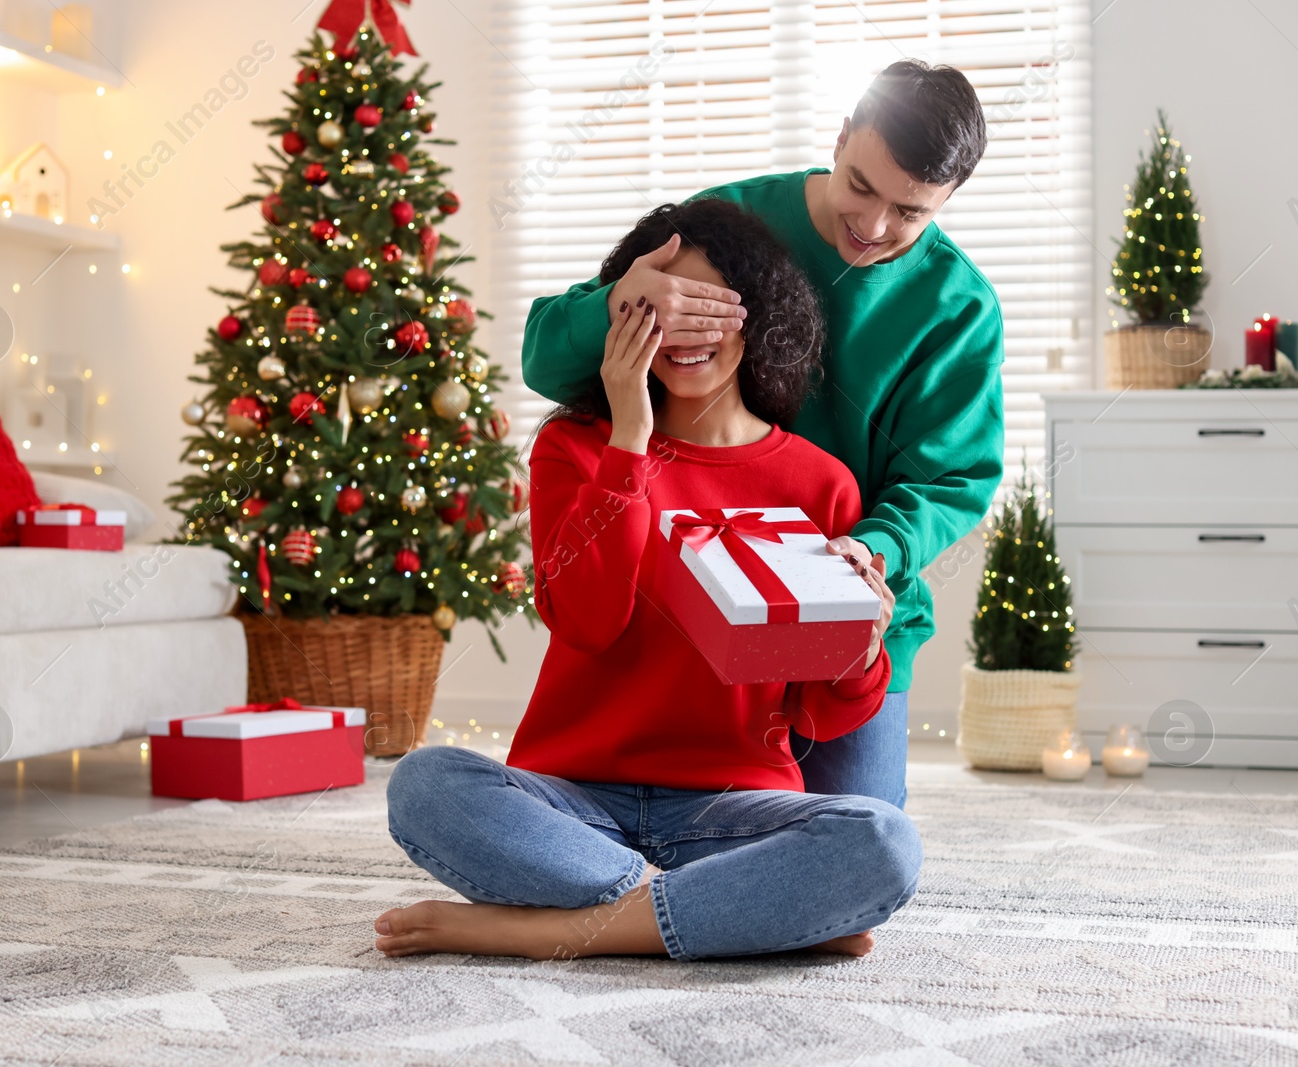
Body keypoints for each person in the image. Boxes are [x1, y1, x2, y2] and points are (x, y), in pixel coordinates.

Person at [377, 199, 921, 963]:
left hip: (732, 809)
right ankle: (724, 914)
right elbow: (586, 621)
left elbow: (820, 713)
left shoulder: (819, 483)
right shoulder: (574, 449)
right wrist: (629, 441)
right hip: (572, 801)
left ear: (758, 319)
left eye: (710, 311)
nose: (684, 336)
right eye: (662, 311)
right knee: (425, 783)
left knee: (883, 840)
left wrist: (862, 649)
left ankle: (556, 931)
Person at [520, 60, 1007, 810]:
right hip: (684, 590)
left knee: (858, 834)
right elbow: (547, 360)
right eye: (861, 186)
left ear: (947, 199)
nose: (872, 227)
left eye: (909, 212)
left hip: (842, 605)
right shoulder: (730, 222)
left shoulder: (960, 309)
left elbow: (950, 482)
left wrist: (866, 557)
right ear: (841, 138)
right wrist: (619, 301)